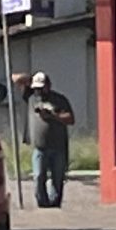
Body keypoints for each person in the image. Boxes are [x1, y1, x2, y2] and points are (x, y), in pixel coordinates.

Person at [11, 70, 74, 208]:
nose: (39, 91)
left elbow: (70, 119)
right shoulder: (31, 97)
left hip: (58, 146)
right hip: (40, 146)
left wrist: (52, 116)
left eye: (41, 88)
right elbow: (15, 79)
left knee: (57, 178)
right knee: (39, 176)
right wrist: (31, 78)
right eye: (36, 88)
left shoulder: (59, 99)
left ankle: (55, 203)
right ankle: (42, 203)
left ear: (48, 85)